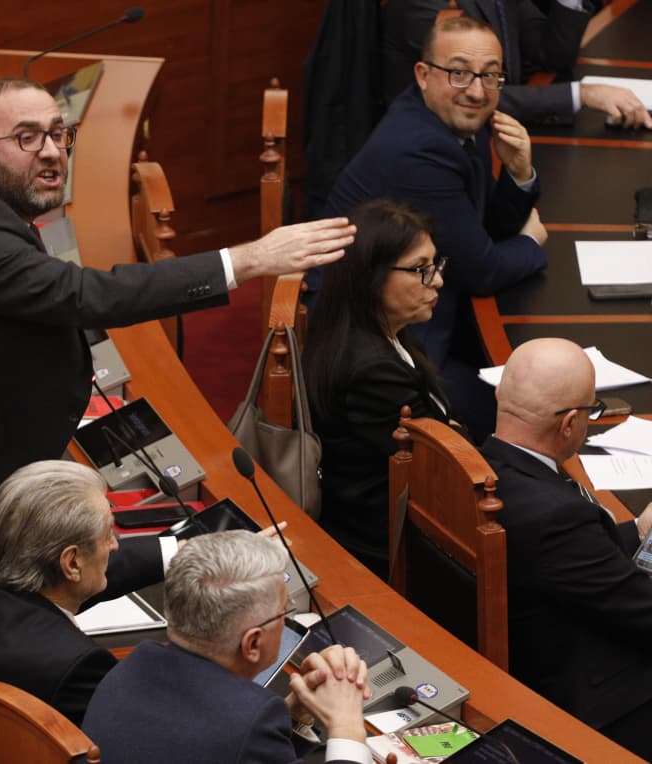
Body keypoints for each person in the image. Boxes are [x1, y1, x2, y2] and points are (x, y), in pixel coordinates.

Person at [0, 76, 356, 592]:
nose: (50, 151)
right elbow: (83, 295)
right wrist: (247, 259)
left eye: (57, 133)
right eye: (26, 138)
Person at [325, 14, 547, 441]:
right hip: (381, 346)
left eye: (490, 76)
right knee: (529, 413)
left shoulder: (449, 118)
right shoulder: (421, 151)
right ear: (423, 75)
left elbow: (481, 230)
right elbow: (482, 270)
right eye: (459, 73)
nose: (477, 91)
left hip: (418, 310)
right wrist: (530, 242)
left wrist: (520, 173)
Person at [481, 337, 652, 760]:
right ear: (570, 423)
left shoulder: (488, 467)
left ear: (502, 395)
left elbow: (567, 564)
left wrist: (638, 530)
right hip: (589, 698)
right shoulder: (557, 516)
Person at [0, 460, 178, 726]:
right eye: (107, 534)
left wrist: (180, 552)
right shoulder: (76, 668)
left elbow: (85, 568)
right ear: (72, 563)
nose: (115, 544)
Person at [82, 531, 371, 764]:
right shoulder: (250, 722)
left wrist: (296, 714)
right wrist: (346, 725)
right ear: (253, 643)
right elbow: (236, 736)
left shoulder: (131, 667)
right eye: (284, 611)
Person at [305, 199, 459, 579]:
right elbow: (442, 464)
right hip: (386, 543)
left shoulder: (379, 328)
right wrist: (455, 431)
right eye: (420, 269)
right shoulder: (372, 369)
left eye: (435, 265)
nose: (437, 281)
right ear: (371, 277)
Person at [382, 0, 652, 129]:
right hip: (434, 153)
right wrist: (582, 94)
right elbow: (470, 95)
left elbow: (551, 53)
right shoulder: (424, 5)